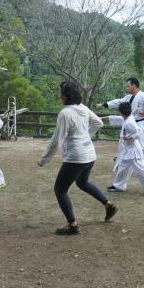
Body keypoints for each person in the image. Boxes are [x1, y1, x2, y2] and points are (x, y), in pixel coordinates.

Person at [38, 81, 118, 235]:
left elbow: (56, 140)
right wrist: (86, 135)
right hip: (89, 154)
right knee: (82, 182)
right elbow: (99, 123)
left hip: (76, 157)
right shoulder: (83, 108)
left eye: (60, 92)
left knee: (60, 190)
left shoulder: (65, 113)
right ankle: (108, 205)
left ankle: (73, 225)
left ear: (65, 96)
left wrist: (44, 159)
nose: (58, 95)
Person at [97, 77, 144, 176]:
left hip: (141, 124)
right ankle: (121, 163)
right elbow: (118, 102)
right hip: (132, 123)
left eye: (128, 86)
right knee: (125, 142)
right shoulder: (128, 97)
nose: (127, 88)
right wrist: (105, 104)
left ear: (134, 85)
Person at [102, 102, 144, 194]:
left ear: (121, 112)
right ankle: (119, 185)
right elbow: (116, 118)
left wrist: (130, 137)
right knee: (123, 167)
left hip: (133, 150)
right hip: (129, 149)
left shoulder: (129, 122)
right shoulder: (127, 118)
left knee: (140, 168)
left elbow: (139, 131)